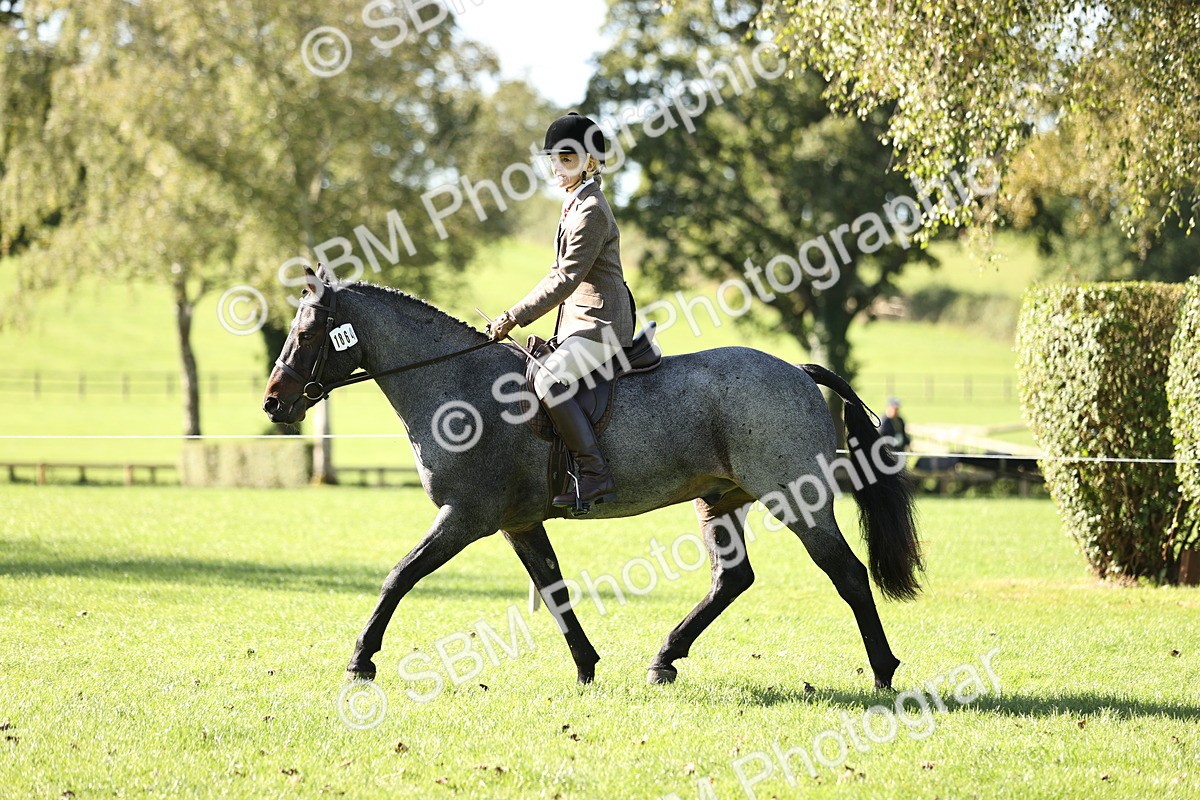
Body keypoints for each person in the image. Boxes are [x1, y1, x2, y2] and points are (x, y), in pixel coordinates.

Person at [488, 112, 635, 511]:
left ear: (590, 161)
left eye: (566, 158)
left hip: (601, 326)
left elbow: (566, 278)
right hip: (580, 323)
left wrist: (514, 316)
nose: (557, 167)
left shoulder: (590, 210)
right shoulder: (575, 202)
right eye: (552, 158)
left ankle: (594, 474)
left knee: (549, 381)